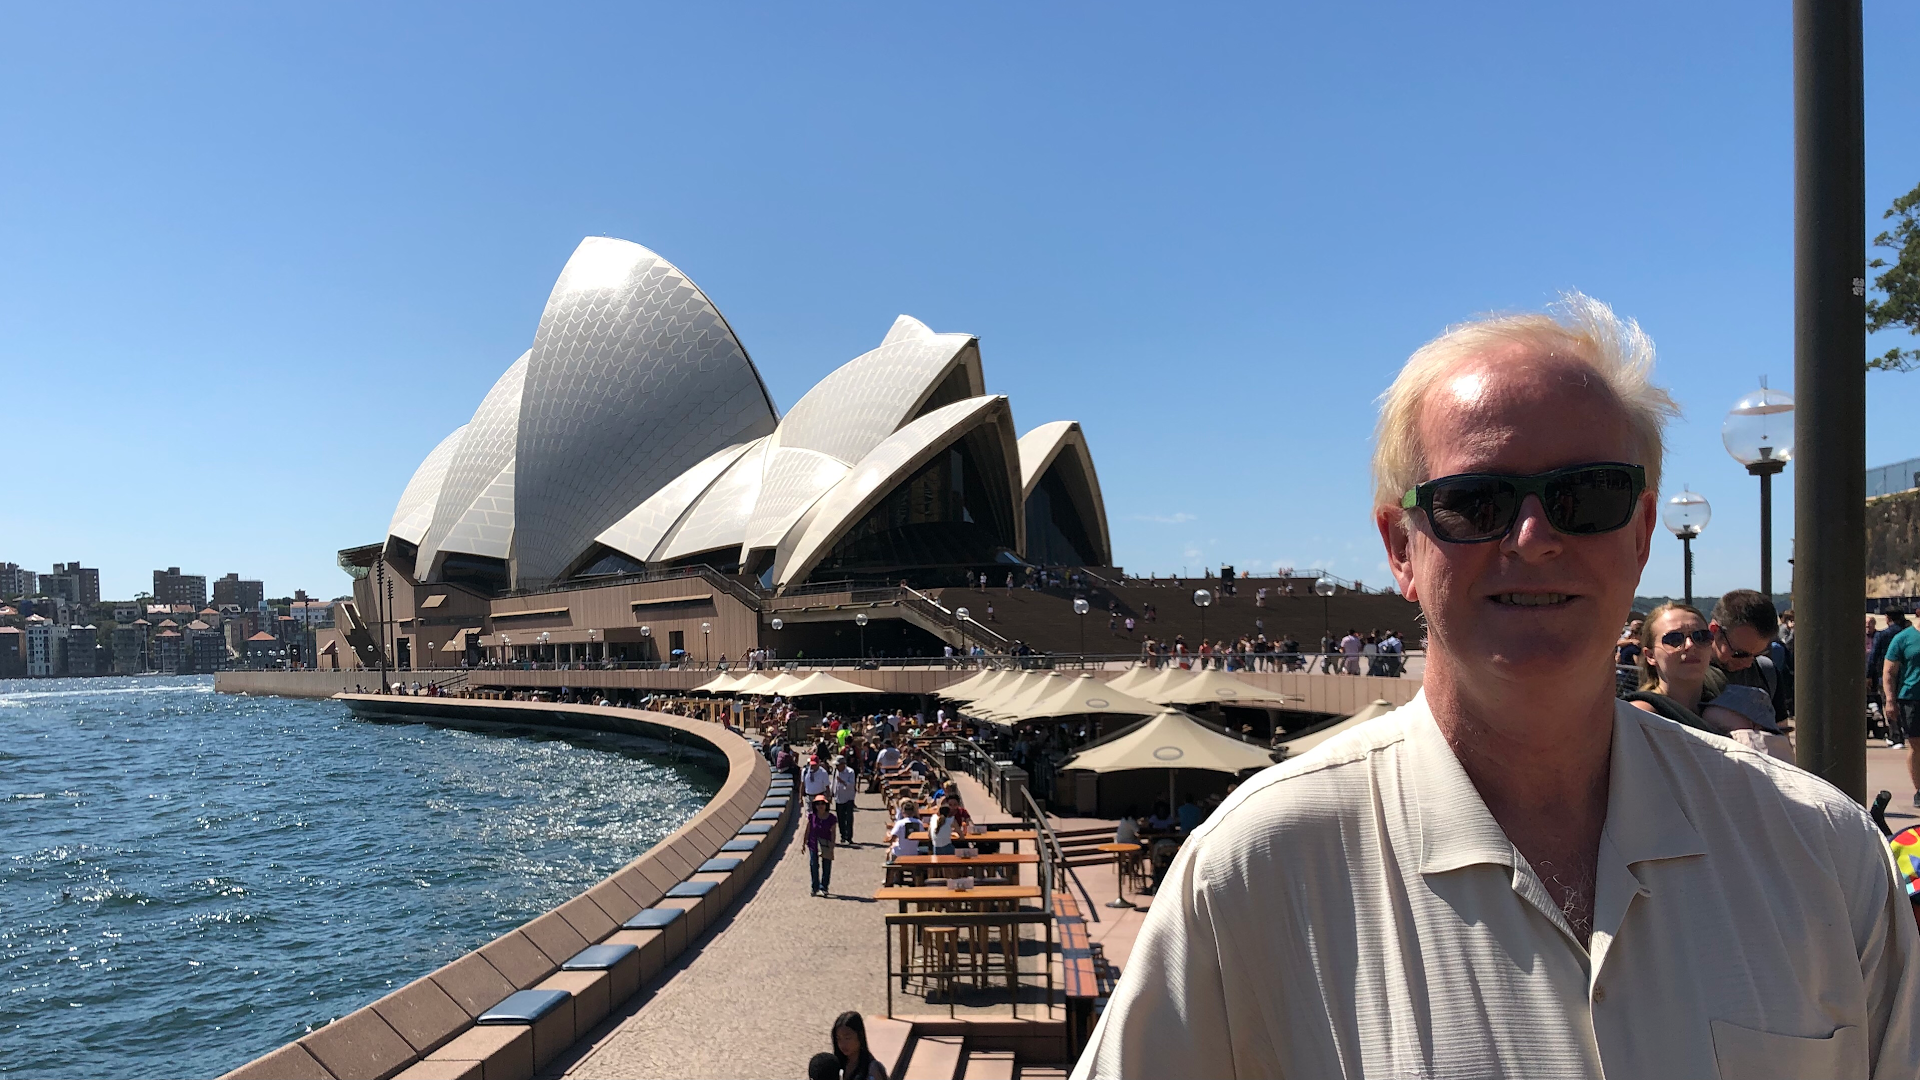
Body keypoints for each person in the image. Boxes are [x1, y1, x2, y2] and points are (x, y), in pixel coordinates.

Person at [1074, 294, 1920, 1078]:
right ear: (1401, 548)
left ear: (1642, 533)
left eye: (1587, 494)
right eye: (1475, 502)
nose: (1533, 537)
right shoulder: (1254, 869)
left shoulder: (1823, 854)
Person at [1709, 589, 1793, 729]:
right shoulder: (1687, 676)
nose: (1748, 663)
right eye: (1740, 653)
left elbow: (1780, 736)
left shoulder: (1766, 672)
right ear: (1714, 631)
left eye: (1757, 654)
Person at [1884, 613, 1920, 808]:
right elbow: (1889, 671)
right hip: (1911, 698)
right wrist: (1890, 700)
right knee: (1916, 745)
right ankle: (1919, 790)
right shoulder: (1903, 638)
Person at [831, 1011, 887, 1080]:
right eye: (838, 1038)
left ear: (860, 1035)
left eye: (847, 1038)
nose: (842, 1044)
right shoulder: (836, 1064)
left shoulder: (872, 1068)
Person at [804, 796, 837, 896]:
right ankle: (815, 887)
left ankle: (824, 887)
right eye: (818, 804)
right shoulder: (812, 816)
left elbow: (833, 832)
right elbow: (807, 830)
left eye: (822, 803)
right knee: (813, 865)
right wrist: (803, 843)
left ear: (826, 805)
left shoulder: (831, 818)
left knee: (826, 866)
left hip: (826, 844)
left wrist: (832, 844)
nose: (820, 806)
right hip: (813, 844)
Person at [832, 756, 858, 844]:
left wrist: (842, 781)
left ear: (843, 764)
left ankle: (849, 837)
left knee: (849, 818)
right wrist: (832, 793)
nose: (837, 767)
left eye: (838, 765)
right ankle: (843, 835)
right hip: (838, 798)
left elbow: (851, 784)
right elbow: (834, 782)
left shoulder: (850, 772)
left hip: (848, 798)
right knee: (840, 818)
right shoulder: (835, 771)